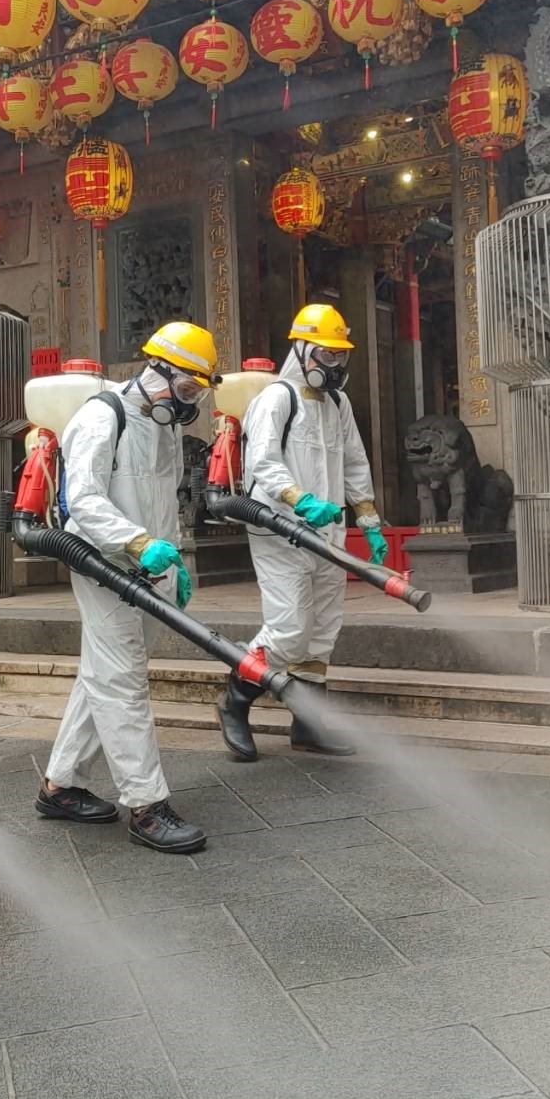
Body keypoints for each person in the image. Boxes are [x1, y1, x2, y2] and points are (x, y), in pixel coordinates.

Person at [37, 320, 217, 853]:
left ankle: (61, 785)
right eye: (186, 389)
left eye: (197, 394)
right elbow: (84, 500)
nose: (188, 403)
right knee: (122, 678)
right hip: (103, 562)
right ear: (158, 372)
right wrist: (138, 543)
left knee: (102, 673)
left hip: (148, 566)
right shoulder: (102, 416)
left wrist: (174, 561)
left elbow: (165, 498)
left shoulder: (165, 425)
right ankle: (147, 805)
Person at [217, 302, 387, 762]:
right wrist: (299, 500)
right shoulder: (276, 398)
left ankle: (309, 725)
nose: (334, 364)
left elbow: (355, 462)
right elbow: (262, 462)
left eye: (340, 355)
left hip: (328, 534)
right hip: (281, 530)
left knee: (322, 631)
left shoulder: (338, 404)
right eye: (326, 355)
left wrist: (369, 521)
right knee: (289, 629)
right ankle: (234, 700)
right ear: (301, 350)